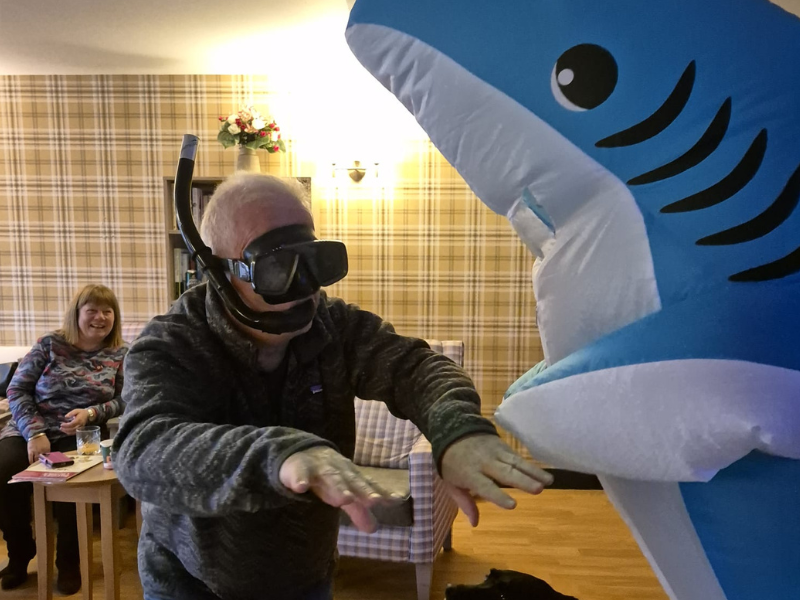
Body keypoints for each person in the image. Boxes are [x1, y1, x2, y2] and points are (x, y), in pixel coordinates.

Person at [114, 173, 554, 600]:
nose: (306, 286)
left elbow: (414, 368)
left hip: (307, 575)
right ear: (221, 272)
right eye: (277, 267)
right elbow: (143, 449)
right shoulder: (172, 343)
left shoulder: (332, 326)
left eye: (314, 261)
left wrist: (457, 431)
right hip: (190, 583)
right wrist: (281, 454)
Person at [0, 284, 127, 593]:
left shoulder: (121, 353)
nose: (100, 317)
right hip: (30, 428)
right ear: (77, 314)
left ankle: (68, 562)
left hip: (80, 434)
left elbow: (126, 399)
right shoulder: (50, 344)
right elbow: (16, 390)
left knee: (71, 482)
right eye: (92, 310)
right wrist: (36, 432)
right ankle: (20, 553)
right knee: (3, 469)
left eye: (107, 311)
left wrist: (92, 413)